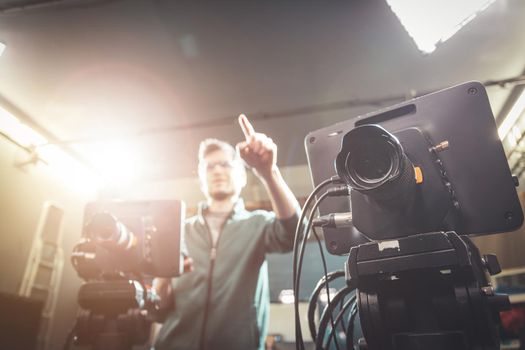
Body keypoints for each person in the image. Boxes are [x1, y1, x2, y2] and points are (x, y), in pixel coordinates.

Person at [153, 114, 300, 350]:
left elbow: (294, 232)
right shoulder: (179, 232)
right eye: (209, 167)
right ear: (201, 181)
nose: (217, 170)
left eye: (225, 164)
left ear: (242, 177)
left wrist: (267, 173)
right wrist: (162, 277)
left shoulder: (258, 225)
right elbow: (157, 312)